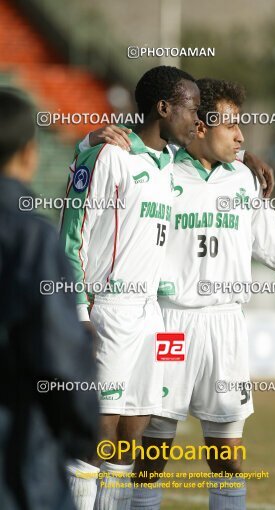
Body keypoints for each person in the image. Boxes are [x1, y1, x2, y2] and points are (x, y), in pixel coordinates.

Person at [85, 78, 275, 510]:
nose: (241, 136)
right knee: (152, 454)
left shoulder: (244, 181)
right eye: (232, 125)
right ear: (200, 126)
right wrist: (93, 136)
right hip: (169, 324)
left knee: (229, 457)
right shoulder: (162, 170)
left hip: (226, 326)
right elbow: (115, 157)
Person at [60, 66, 200, 510]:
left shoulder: (170, 166)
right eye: (192, 109)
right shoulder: (110, 155)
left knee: (131, 432)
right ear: (163, 107)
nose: (198, 121)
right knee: (97, 432)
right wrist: (79, 313)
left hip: (150, 313)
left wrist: (250, 160)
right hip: (108, 309)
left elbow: (220, 156)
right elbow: (71, 236)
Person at [0, 88, 98, 510]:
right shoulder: (31, 237)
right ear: (28, 153)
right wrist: (82, 431)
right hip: (17, 456)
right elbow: (58, 352)